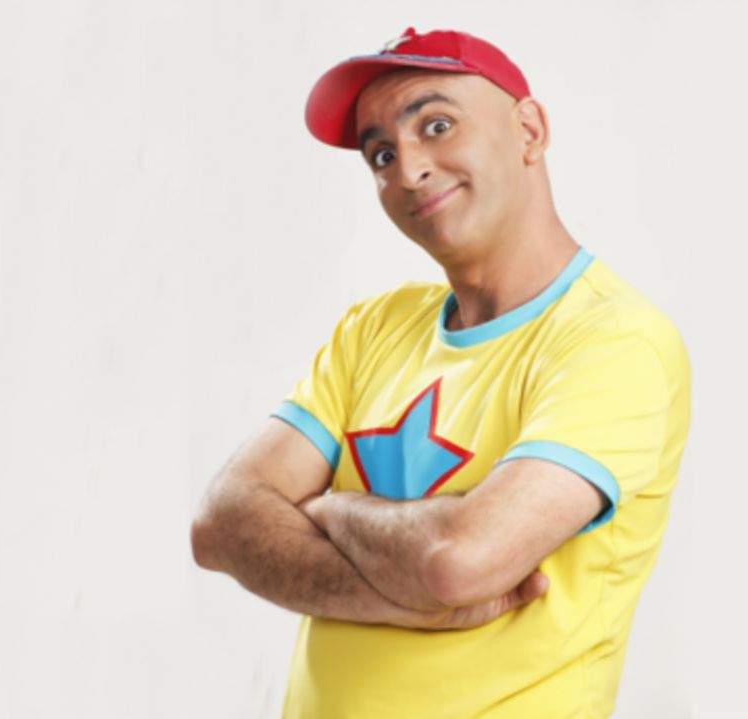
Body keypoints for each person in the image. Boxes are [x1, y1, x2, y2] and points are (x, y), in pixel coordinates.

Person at [191, 26, 692, 718]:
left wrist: (329, 507)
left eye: (436, 125)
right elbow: (219, 525)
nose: (407, 169)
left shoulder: (613, 340)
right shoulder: (375, 327)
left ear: (529, 130)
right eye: (381, 153)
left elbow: (457, 561)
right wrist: (397, 594)